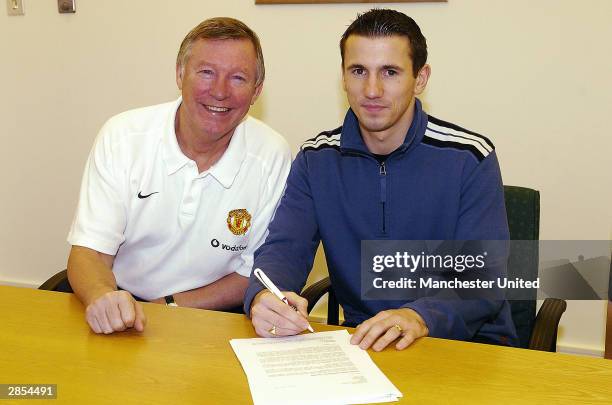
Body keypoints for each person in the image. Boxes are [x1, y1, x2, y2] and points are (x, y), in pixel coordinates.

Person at [245, 9, 518, 351]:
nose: (372, 90)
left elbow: (483, 279)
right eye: (359, 71)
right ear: (343, 78)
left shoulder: (470, 156)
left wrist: (418, 317)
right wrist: (264, 297)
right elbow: (284, 250)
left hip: (468, 344)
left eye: (390, 72)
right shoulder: (317, 159)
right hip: (366, 343)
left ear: (420, 78)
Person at [67, 17, 291, 335]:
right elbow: (89, 251)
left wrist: (169, 306)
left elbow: (253, 275)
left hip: (216, 317)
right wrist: (102, 296)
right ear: (180, 74)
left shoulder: (272, 155)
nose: (220, 91)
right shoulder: (123, 137)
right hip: (123, 306)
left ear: (257, 92)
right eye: (206, 72)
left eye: (238, 78)